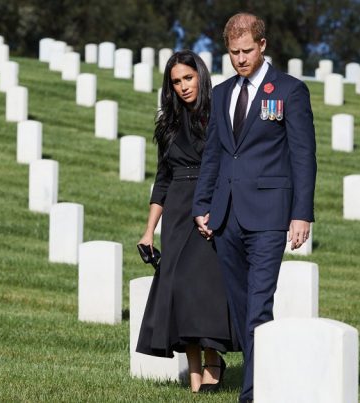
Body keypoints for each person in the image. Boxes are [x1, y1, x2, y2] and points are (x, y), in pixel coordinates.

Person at [192, 12, 317, 403]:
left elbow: (303, 155)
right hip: (226, 217)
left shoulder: (290, 91)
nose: (241, 59)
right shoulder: (224, 92)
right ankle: (270, 378)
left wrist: (302, 214)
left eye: (247, 50)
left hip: (268, 217)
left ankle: (254, 394)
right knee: (242, 306)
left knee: (259, 306)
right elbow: (213, 153)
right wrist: (203, 204)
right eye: (233, 53)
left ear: (263, 46)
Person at [136, 50, 237, 393]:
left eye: (188, 78)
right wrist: (149, 230)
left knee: (201, 287)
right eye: (176, 81)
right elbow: (162, 178)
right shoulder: (167, 124)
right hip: (177, 210)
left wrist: (216, 207)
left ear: (201, 76)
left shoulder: (218, 115)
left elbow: (228, 166)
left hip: (208, 205)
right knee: (178, 288)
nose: (182, 86)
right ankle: (195, 380)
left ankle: (213, 359)